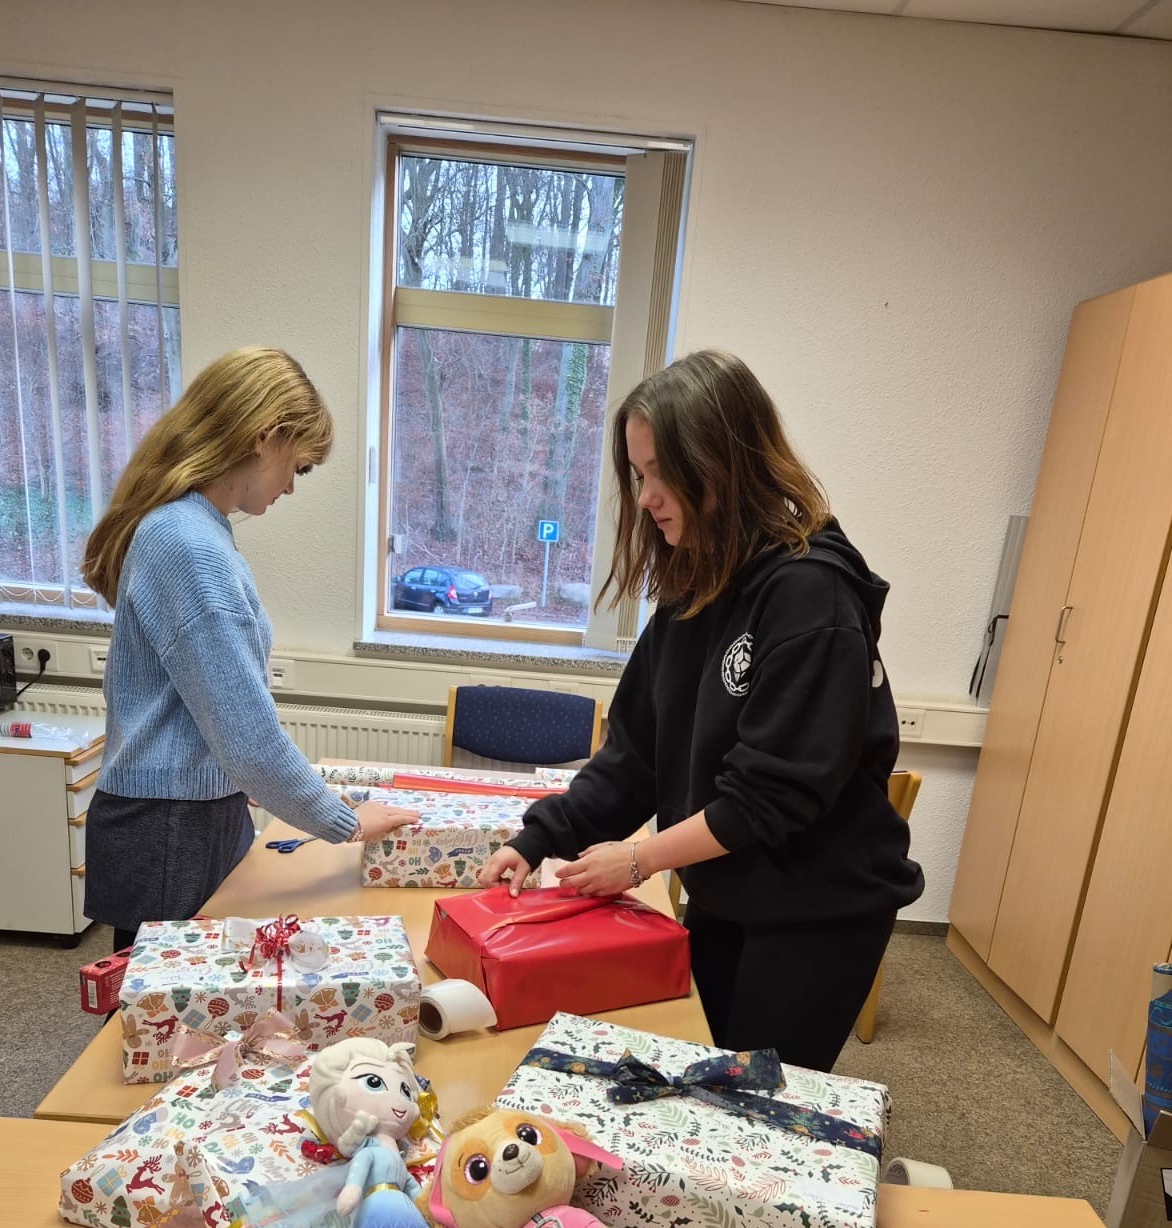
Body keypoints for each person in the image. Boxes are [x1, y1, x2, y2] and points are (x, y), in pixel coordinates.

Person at [479, 349, 923, 1071]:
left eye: (662, 474)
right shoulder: (696, 587)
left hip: (817, 908)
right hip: (728, 886)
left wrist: (636, 860)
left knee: (754, 1100)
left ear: (723, 464)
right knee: (704, 1068)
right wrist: (539, 839)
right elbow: (636, 755)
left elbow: (767, 798)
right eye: (639, 475)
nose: (646, 498)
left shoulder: (811, 596)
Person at [81, 347, 417, 951]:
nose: (291, 487)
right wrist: (346, 822)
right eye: (298, 468)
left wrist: (268, 784)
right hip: (171, 825)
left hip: (184, 811)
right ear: (265, 436)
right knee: (165, 1002)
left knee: (196, 991)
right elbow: (248, 738)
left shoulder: (190, 529)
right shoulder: (189, 545)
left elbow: (213, 715)